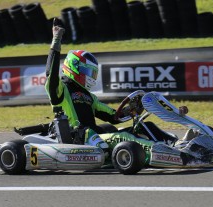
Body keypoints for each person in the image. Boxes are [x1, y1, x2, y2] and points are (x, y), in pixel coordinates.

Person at [45, 18, 185, 154]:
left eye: (92, 73)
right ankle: (164, 151)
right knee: (125, 138)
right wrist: (56, 41)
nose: (90, 76)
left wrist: (131, 110)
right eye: (88, 71)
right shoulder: (60, 90)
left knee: (143, 127)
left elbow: (113, 116)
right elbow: (50, 73)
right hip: (79, 139)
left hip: (96, 137)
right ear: (73, 67)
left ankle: (178, 144)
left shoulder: (89, 97)